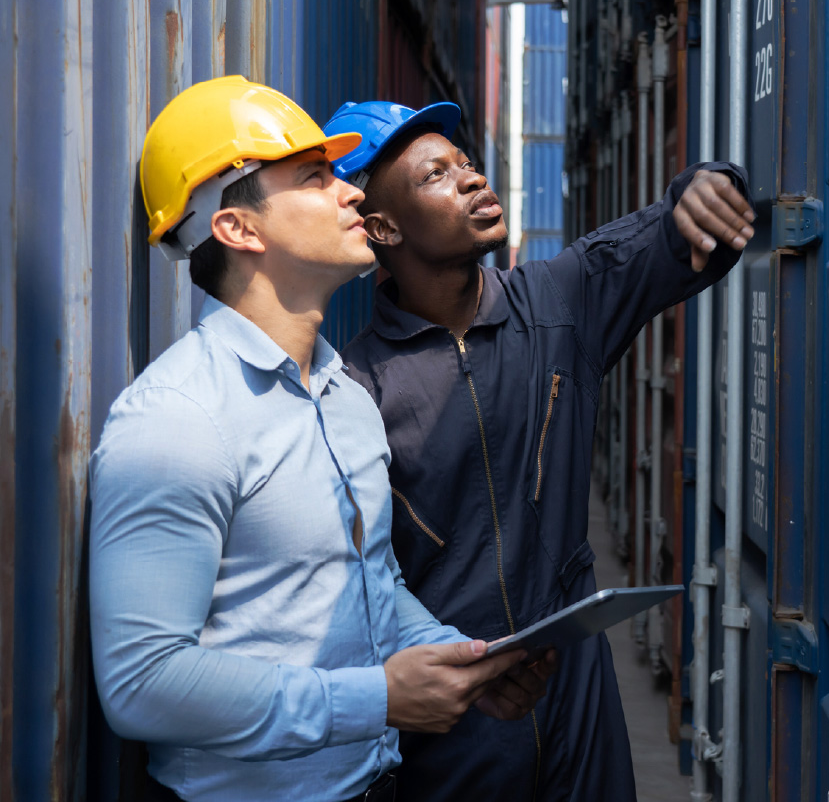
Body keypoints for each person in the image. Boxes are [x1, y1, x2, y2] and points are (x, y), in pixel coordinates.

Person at [88, 78, 554, 802]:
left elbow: (373, 586)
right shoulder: (175, 420)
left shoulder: (344, 397)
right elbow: (142, 684)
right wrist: (375, 700)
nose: (350, 194)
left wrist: (456, 661)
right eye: (313, 178)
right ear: (240, 230)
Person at [322, 99, 755, 802]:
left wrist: (706, 184)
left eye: (466, 163)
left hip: (575, 689)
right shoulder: (356, 392)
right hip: (459, 713)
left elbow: (673, 238)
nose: (470, 179)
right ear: (382, 226)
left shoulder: (558, 302)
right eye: (437, 174)